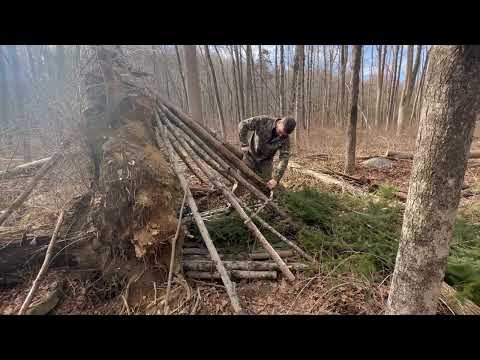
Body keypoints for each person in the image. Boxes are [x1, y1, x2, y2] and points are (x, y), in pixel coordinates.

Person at [238, 115, 296, 190]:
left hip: (266, 161)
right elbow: (243, 124)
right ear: (279, 123)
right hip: (250, 155)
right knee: (240, 177)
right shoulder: (264, 121)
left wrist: (276, 179)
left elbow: (284, 158)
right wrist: (244, 143)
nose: (280, 135)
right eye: (280, 132)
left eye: (283, 135)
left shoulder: (285, 139)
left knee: (266, 186)